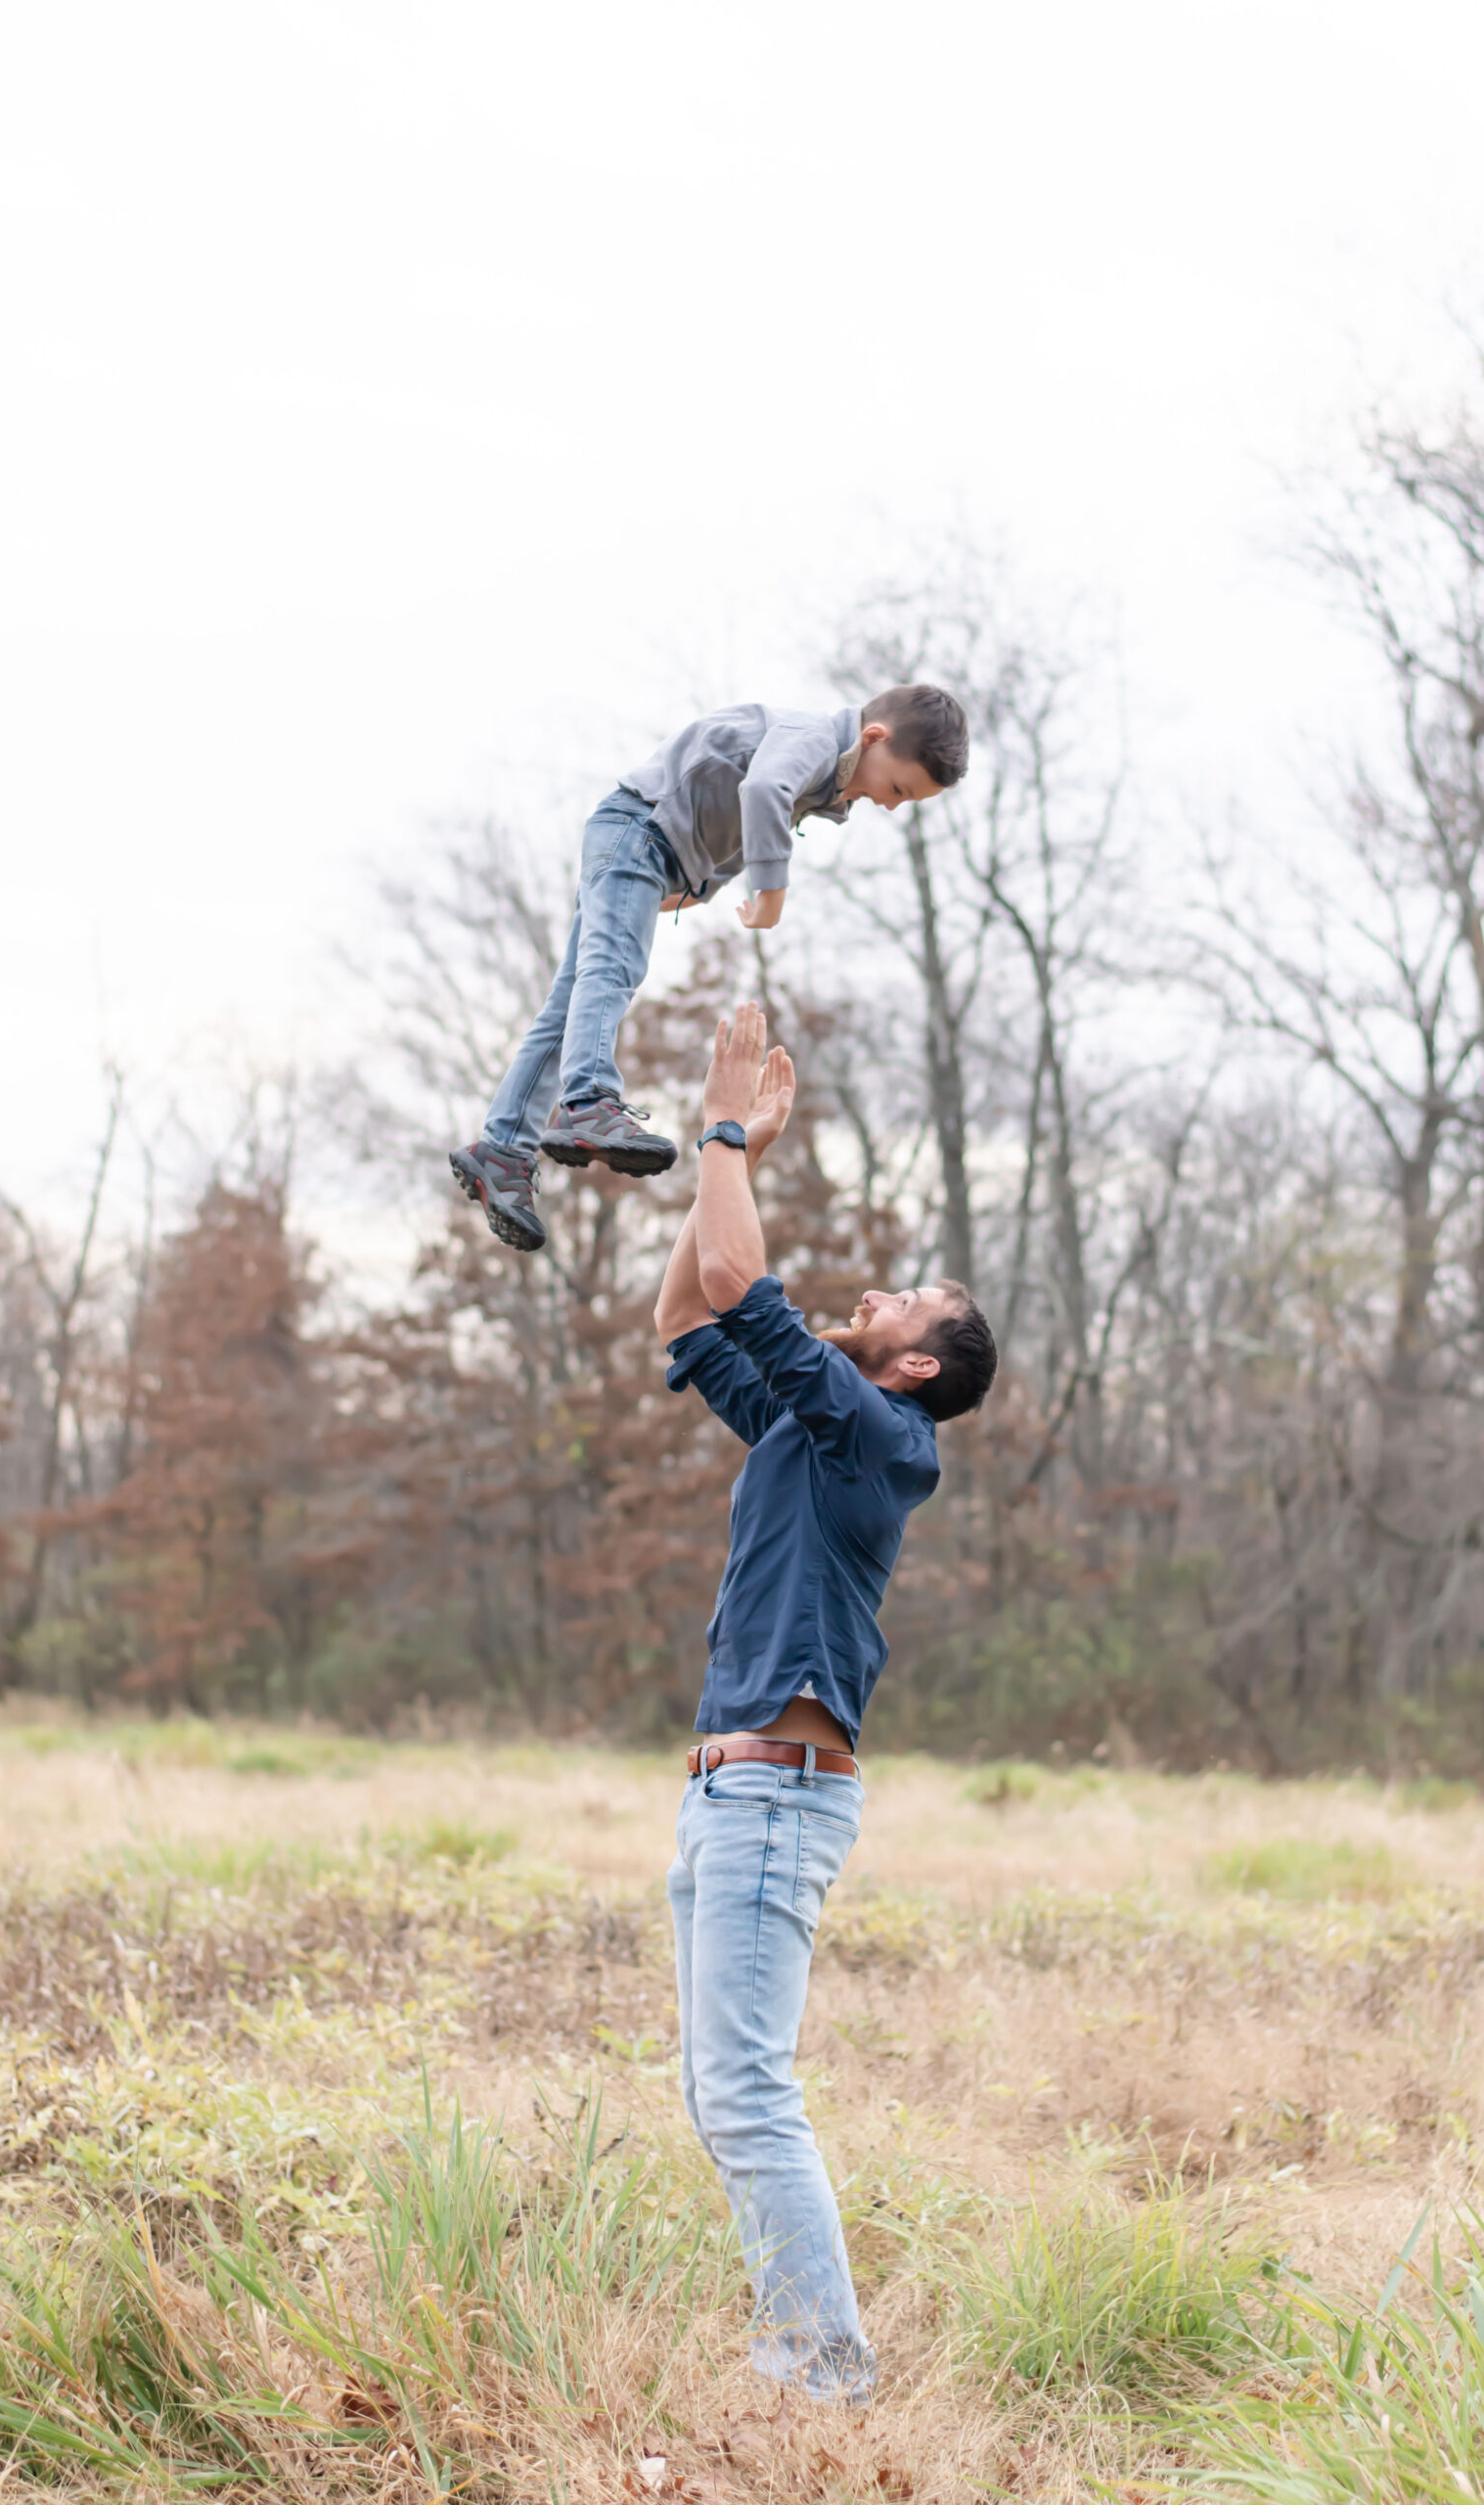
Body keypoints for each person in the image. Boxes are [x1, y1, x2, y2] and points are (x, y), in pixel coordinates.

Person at [653, 1002, 997, 2404]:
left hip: (776, 1796)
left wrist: (728, 1131)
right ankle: (799, 2358)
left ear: (917, 1363)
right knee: (718, 2093)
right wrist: (723, 1161)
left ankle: (821, 2378)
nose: (880, 1293)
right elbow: (687, 1309)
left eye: (907, 1302)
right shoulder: (811, 1425)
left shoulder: (877, 1432)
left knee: (744, 2093)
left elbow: (739, 1276)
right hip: (732, 1787)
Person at [449, 687, 969, 1253]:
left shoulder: (825, 778)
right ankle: (590, 1102)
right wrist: (771, 892)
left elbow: (736, 816)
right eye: (897, 788)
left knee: (570, 1001)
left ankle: (503, 1149)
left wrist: (702, 887)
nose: (891, 804)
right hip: (640, 830)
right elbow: (762, 789)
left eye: (905, 801)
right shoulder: (815, 738)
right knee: (611, 969)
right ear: (874, 738)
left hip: (649, 845)